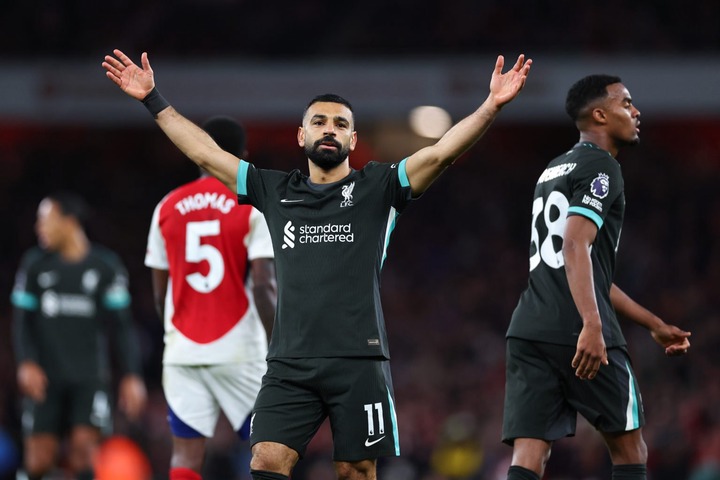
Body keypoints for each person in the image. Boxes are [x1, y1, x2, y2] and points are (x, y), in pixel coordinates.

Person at [102, 48, 532, 480]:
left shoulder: (378, 187)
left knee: (356, 471)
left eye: (341, 124)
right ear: (301, 136)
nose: (330, 130)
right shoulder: (273, 190)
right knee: (266, 460)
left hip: (359, 362)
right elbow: (207, 154)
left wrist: (490, 106)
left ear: (353, 141)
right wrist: (152, 98)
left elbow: (439, 154)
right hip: (289, 363)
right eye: (320, 122)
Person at [502, 75, 692, 480]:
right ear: (601, 114)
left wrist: (652, 324)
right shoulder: (603, 166)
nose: (636, 112)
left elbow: (587, 270)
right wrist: (591, 323)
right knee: (629, 449)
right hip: (577, 326)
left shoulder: (552, 170)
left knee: (529, 455)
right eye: (626, 103)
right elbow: (574, 248)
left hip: (529, 328)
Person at [144, 115, 277, 480]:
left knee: (185, 456)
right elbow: (265, 286)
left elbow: (160, 295)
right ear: (243, 155)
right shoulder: (251, 206)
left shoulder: (166, 207)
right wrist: (279, 343)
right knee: (269, 451)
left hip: (183, 349)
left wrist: (178, 332)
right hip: (240, 349)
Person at [11, 191, 147, 480]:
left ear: (69, 222)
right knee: (38, 461)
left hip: (89, 378)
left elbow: (121, 327)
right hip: (45, 378)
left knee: (83, 454)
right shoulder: (35, 265)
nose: (39, 227)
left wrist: (131, 374)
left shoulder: (105, 267)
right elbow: (21, 322)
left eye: (45, 220)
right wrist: (26, 362)